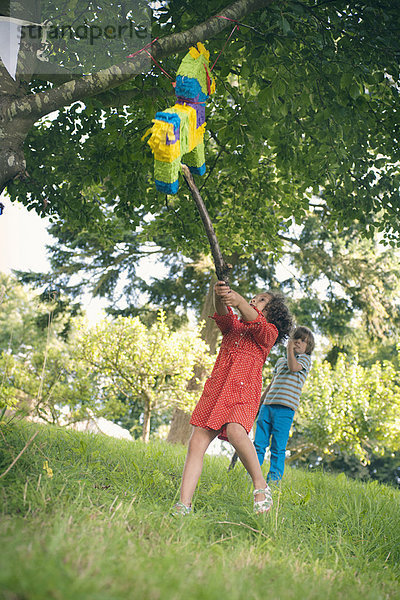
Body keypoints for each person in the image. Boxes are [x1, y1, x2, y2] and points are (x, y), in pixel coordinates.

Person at [172, 280, 293, 516]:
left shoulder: (268, 333)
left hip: (243, 393)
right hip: (217, 391)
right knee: (196, 442)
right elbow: (222, 312)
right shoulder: (234, 328)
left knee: (237, 432)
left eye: (261, 300)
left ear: (272, 313)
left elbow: (255, 321)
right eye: (253, 298)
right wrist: (221, 295)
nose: (253, 300)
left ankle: (260, 485)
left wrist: (237, 301)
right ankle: (183, 504)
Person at [253, 326, 315, 483]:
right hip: (267, 406)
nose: (299, 343)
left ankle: (273, 481)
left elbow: (293, 368)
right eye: (296, 339)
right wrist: (260, 402)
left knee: (278, 447)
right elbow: (272, 383)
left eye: (303, 341)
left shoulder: (305, 359)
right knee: (258, 444)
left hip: (285, 410)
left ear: (308, 347)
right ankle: (252, 476)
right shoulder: (280, 361)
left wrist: (289, 350)